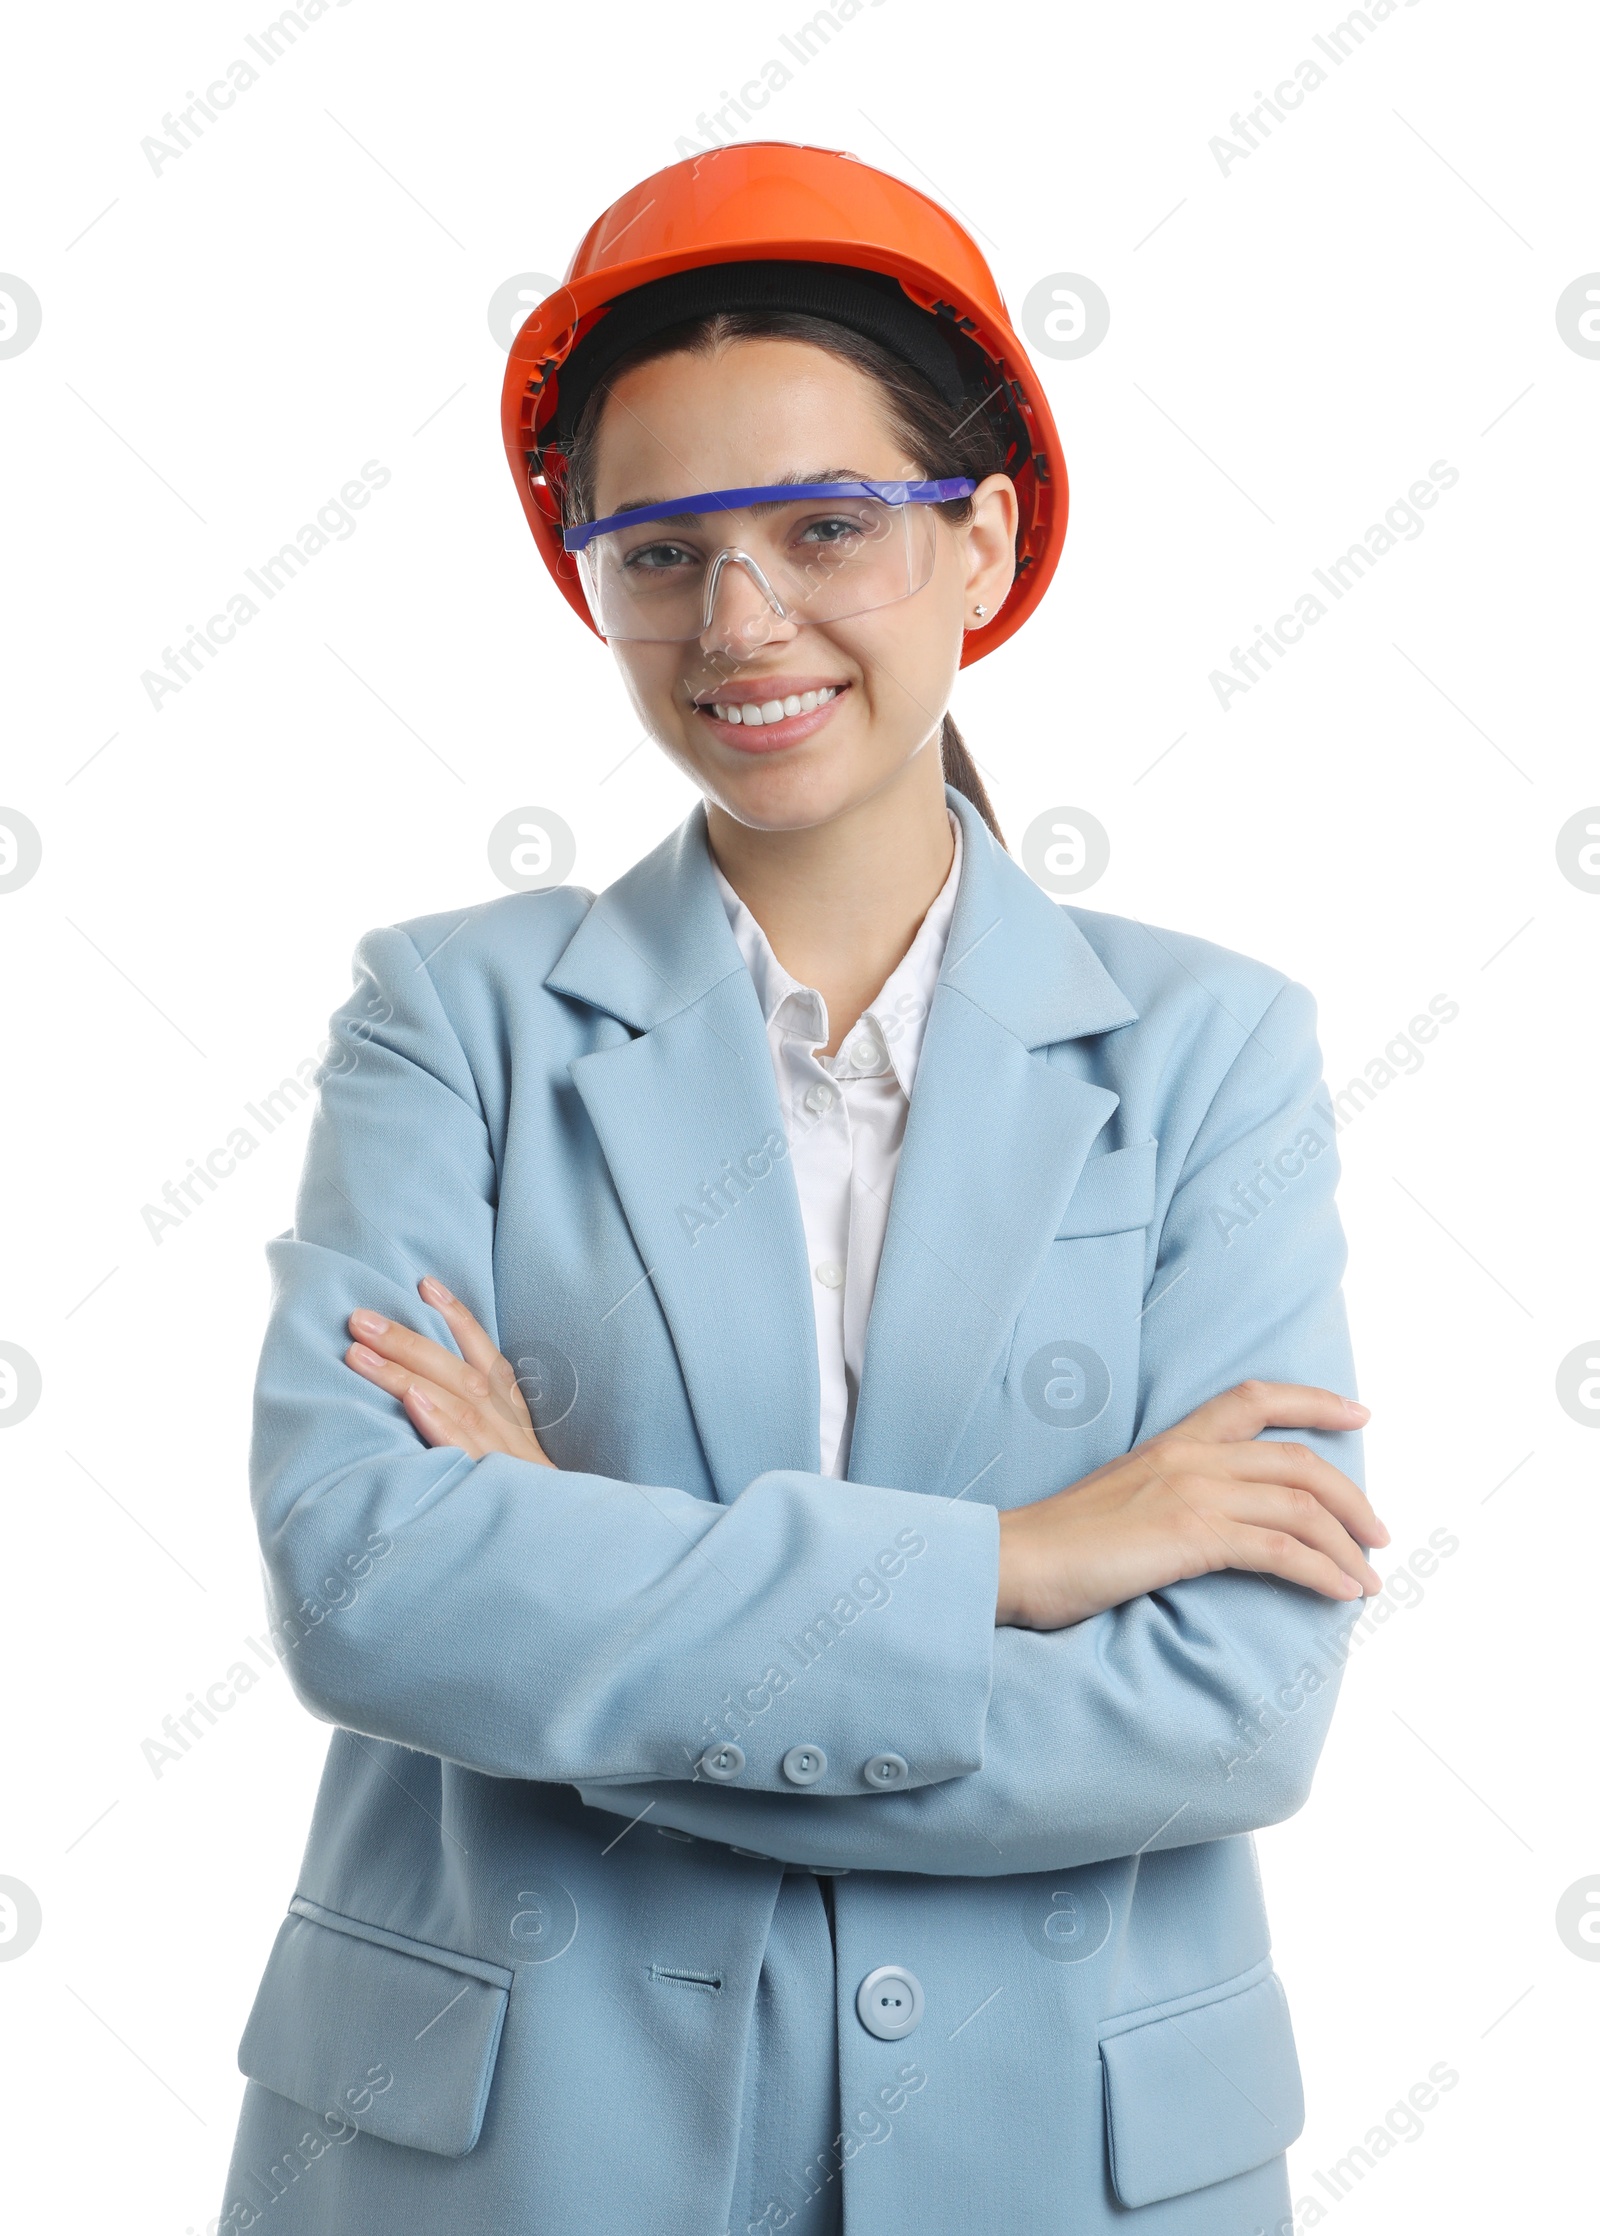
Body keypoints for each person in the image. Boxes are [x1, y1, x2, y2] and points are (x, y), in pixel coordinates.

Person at [222, 142, 1387, 2236]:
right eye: (656, 553)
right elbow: (373, 1582)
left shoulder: (1214, 1050)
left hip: (1062, 2159)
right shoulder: (450, 1020)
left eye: (823, 527)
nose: (735, 623)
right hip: (513, 2161)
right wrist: (1013, 1564)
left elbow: (1223, 1713)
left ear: (982, 539)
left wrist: (572, 1599)